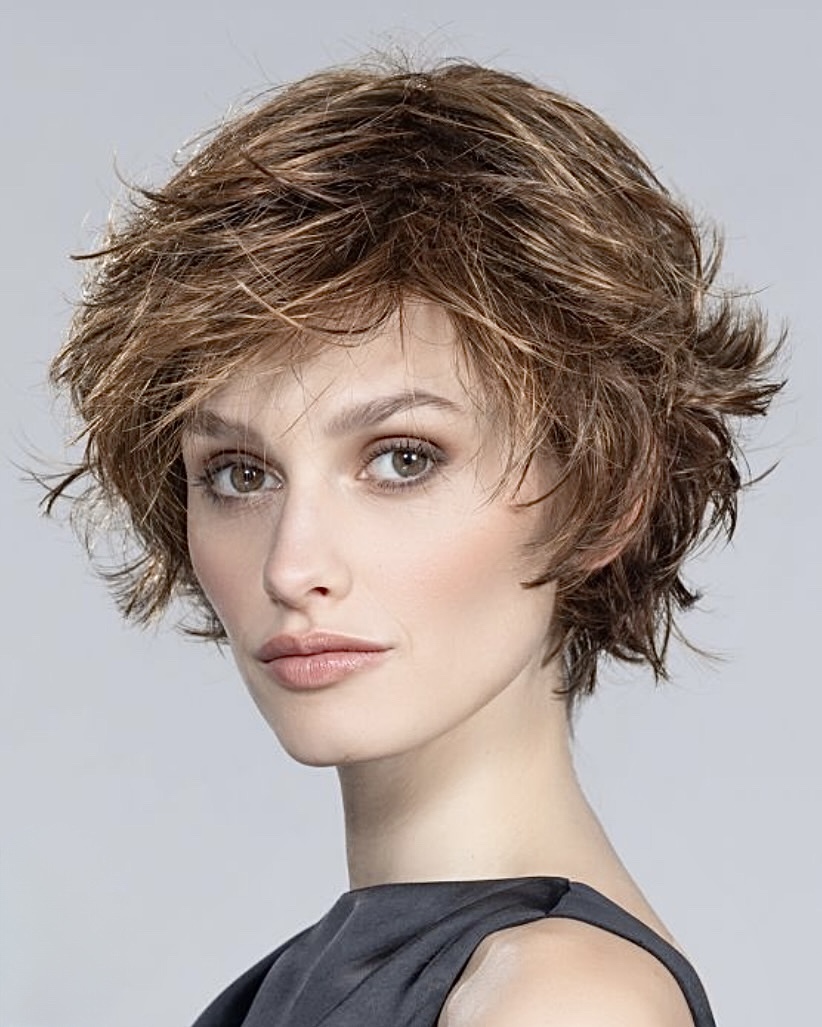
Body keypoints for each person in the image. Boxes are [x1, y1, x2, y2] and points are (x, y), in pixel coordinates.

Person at [45, 59, 781, 1026]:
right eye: (239, 473)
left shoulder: (563, 999)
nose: (292, 566)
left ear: (606, 496)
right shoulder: (335, 977)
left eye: (402, 459)